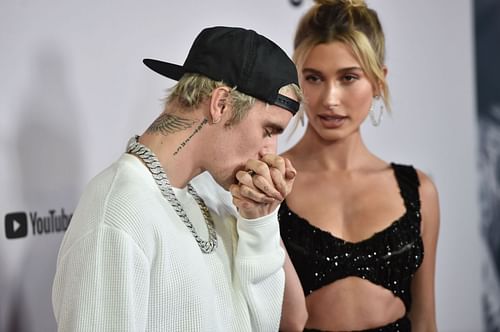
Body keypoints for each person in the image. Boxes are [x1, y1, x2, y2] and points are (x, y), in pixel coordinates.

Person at [51, 26, 303, 331]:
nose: (270, 153)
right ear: (220, 104)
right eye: (268, 131)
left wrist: (259, 223)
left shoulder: (219, 198)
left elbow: (264, 325)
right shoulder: (116, 213)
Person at [278, 1, 440, 331]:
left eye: (349, 77)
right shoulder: (269, 184)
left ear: (379, 81)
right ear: (297, 80)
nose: (329, 99)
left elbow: (424, 321)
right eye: (314, 78)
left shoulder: (419, 191)